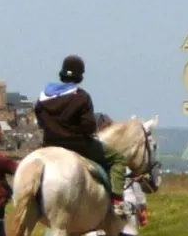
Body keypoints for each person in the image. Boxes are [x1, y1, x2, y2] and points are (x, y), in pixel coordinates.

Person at [35, 55, 127, 199]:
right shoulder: (81, 97)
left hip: (49, 145)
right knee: (118, 159)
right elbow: (89, 126)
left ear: (62, 74)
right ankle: (117, 201)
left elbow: (41, 122)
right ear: (80, 76)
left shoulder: (43, 98)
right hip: (79, 146)